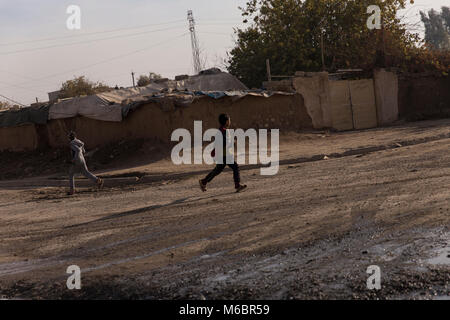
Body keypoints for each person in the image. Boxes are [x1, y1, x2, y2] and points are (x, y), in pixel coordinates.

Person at [199, 114, 247, 193]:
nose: (230, 121)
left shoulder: (222, 130)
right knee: (235, 167)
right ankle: (237, 185)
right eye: (229, 120)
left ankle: (203, 181)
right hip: (224, 155)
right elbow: (223, 143)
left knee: (217, 170)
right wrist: (232, 142)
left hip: (223, 155)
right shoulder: (222, 131)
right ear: (226, 121)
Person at [67, 131, 103, 195]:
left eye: (68, 137)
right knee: (86, 172)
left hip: (77, 160)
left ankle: (72, 190)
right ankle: (98, 181)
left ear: (70, 137)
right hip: (82, 159)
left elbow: (77, 150)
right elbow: (83, 151)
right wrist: (80, 156)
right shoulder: (79, 142)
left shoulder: (72, 143)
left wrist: (74, 159)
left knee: (71, 174)